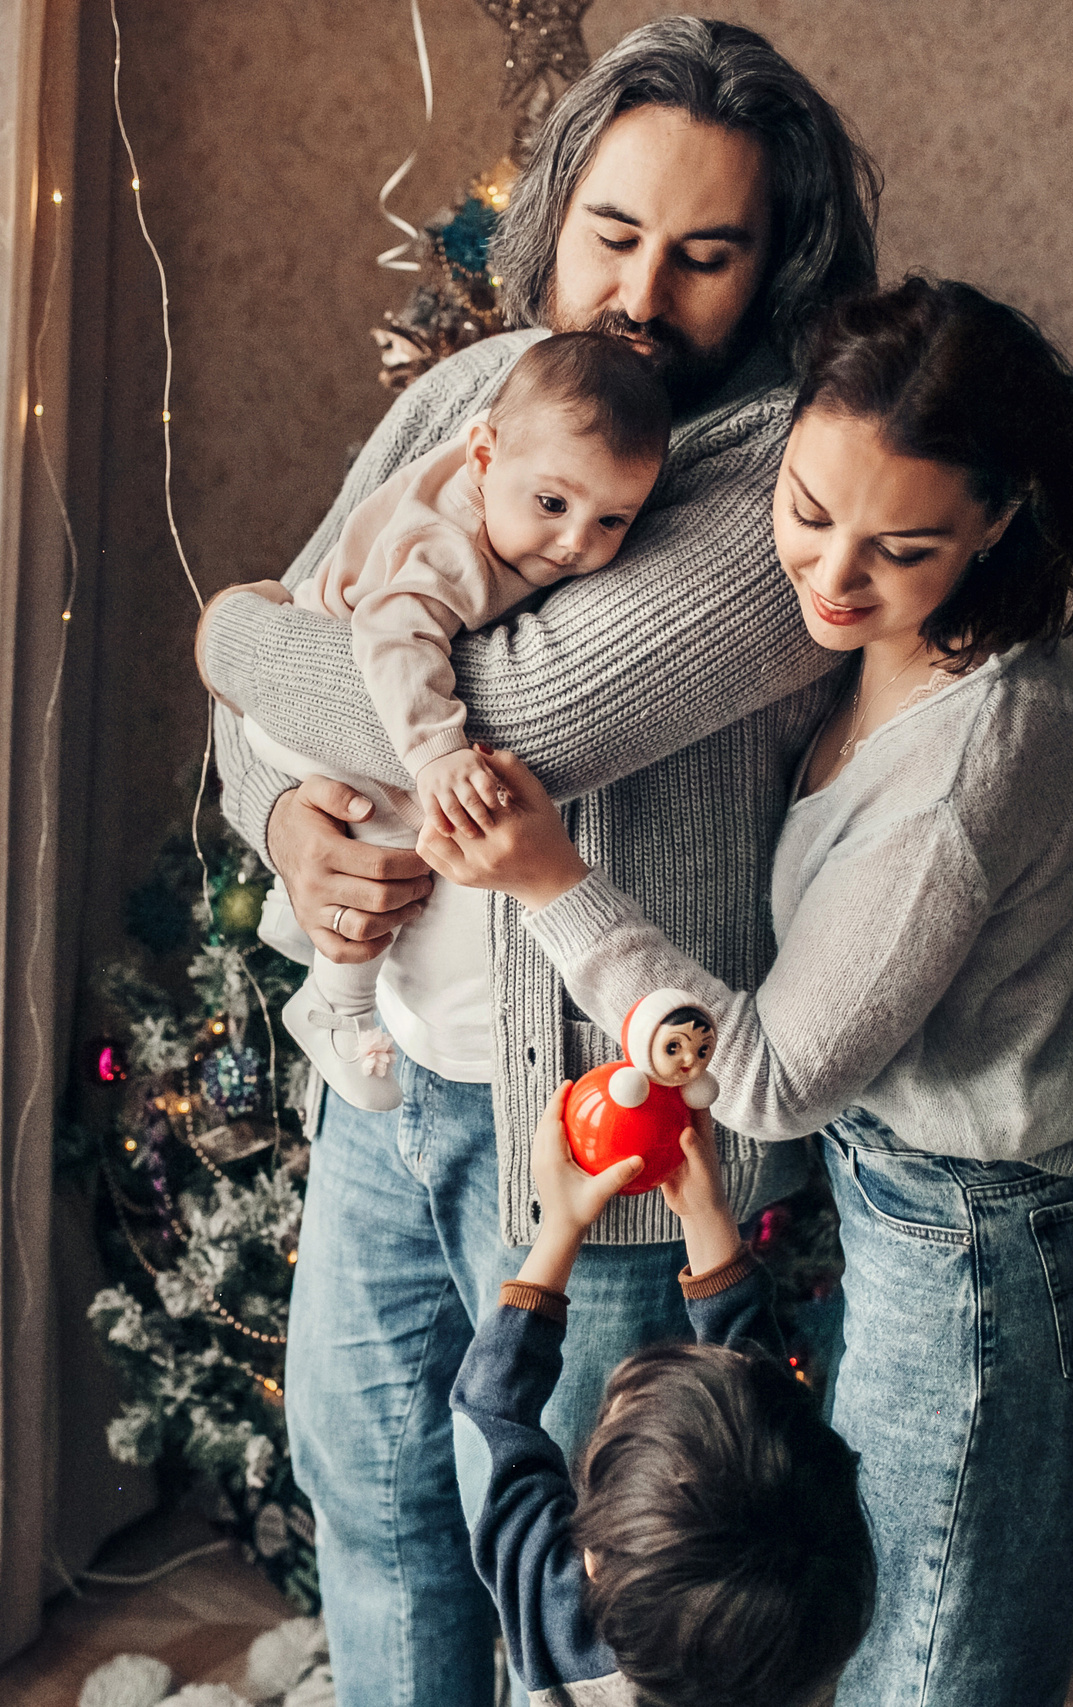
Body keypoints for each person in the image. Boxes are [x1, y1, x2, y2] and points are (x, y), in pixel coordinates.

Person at [194, 22, 878, 1703]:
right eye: (616, 236)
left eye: (706, 254)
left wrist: (220, 633)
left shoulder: (778, 471)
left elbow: (519, 715)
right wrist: (284, 821)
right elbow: (290, 716)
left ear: (776, 264)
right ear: (555, 216)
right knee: (374, 1498)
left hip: (616, 1134)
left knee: (585, 1588)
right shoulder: (462, 398)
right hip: (392, 1090)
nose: (645, 292)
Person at [421, 276, 1073, 1706]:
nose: (829, 575)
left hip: (989, 1257)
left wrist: (547, 881)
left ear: (998, 522)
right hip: (905, 1202)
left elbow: (768, 1074)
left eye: (900, 545)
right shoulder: (876, 643)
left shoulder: (974, 758)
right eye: (809, 509)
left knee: (926, 1673)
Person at [209, 334, 671, 1113]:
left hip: (315, 690)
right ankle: (336, 1006)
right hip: (317, 704)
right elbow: (392, 639)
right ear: (484, 457)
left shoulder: (518, 485)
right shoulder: (448, 547)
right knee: (406, 830)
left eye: (613, 520)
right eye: (554, 505)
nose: (575, 544)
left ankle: (310, 946)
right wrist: (434, 754)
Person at [451, 1090, 873, 1707]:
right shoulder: (800, 1637)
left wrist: (561, 1226)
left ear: (591, 1560)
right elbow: (762, 1420)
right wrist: (708, 1219)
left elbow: (490, 1415)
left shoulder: (562, 1632)